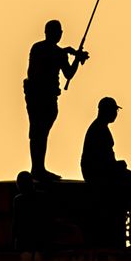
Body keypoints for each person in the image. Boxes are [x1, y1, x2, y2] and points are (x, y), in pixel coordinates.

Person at [24, 20, 88, 180]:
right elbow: (69, 74)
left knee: (38, 133)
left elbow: (66, 72)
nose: (60, 34)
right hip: (43, 98)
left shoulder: (38, 48)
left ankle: (37, 168)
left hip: (36, 98)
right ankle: (37, 169)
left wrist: (71, 56)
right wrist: (76, 58)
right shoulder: (54, 52)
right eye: (58, 31)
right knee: (40, 133)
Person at [80, 97, 131, 238]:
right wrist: (118, 165)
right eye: (114, 111)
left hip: (102, 170)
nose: (116, 114)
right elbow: (101, 160)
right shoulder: (99, 129)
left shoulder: (100, 128)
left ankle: (129, 215)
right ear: (106, 111)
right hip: (99, 173)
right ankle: (130, 217)